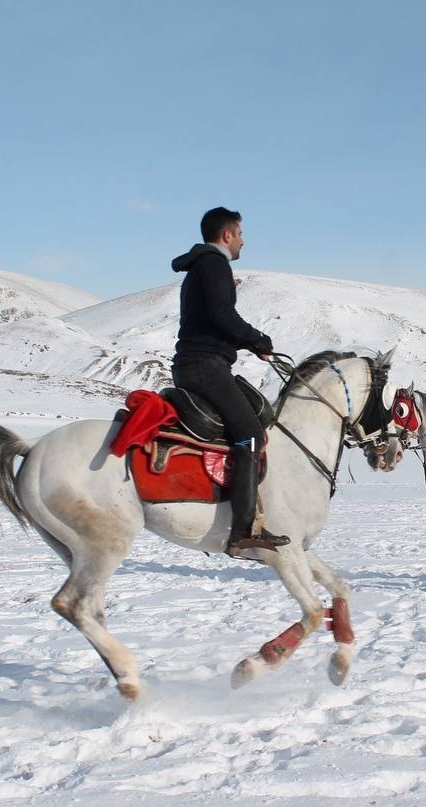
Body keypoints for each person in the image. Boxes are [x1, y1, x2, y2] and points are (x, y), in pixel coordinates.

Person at [170, 207, 289, 556]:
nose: (242, 241)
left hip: (201, 362)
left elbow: (213, 321)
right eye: (239, 234)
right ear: (226, 235)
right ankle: (242, 530)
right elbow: (223, 316)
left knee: (252, 415)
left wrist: (249, 344)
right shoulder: (215, 265)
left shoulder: (202, 266)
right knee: (251, 434)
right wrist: (258, 339)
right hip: (205, 366)